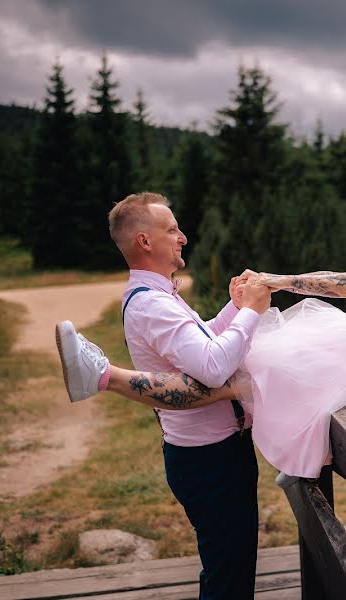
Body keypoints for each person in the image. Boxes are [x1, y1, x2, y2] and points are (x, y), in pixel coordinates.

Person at [57, 186, 346, 490]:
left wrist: (278, 281)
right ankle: (100, 375)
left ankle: (102, 376)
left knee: (234, 368)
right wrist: (272, 283)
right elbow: (340, 277)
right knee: (232, 365)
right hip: (340, 336)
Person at [57, 192, 271, 600]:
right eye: (171, 229)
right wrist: (253, 312)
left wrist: (233, 308)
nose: (183, 237)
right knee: (229, 576)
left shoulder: (158, 298)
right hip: (211, 461)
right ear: (144, 241)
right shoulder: (152, 305)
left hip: (214, 454)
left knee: (231, 566)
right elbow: (211, 366)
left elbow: (197, 344)